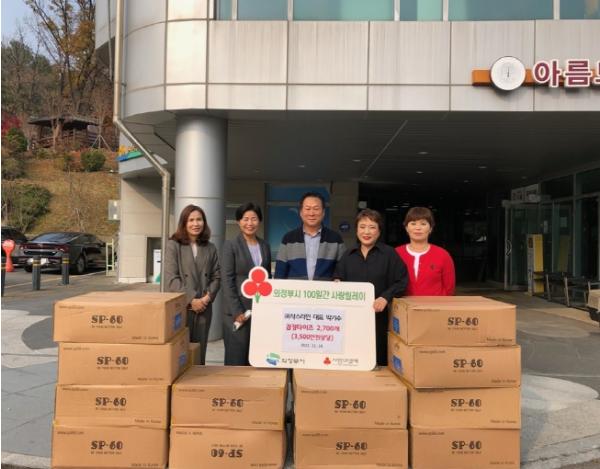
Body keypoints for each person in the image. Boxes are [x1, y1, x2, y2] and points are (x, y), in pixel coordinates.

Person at [334, 209, 408, 366]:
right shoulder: (348, 255)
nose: (366, 232)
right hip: (352, 321)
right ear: (356, 230)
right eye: (362, 227)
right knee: (353, 357)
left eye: (372, 227)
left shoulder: (389, 254)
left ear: (379, 231)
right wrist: (337, 283)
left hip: (380, 320)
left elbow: (401, 281)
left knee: (378, 359)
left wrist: (385, 297)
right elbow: (338, 277)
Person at [164, 204, 221, 365]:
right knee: (179, 355)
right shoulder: (173, 245)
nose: (196, 224)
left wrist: (206, 298)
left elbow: (217, 276)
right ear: (184, 223)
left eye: (199, 219)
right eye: (191, 220)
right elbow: (171, 279)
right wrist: (192, 300)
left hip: (204, 308)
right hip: (181, 307)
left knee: (199, 354)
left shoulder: (210, 247)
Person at [221, 202, 272, 366]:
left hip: (258, 311)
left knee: (256, 358)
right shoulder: (230, 245)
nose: (250, 223)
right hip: (237, 313)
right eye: (245, 219)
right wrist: (237, 311)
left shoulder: (265, 246)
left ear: (260, 221)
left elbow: (268, 279)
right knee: (236, 359)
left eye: (254, 219)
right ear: (238, 221)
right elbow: (227, 280)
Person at [275, 192, 345, 280]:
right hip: (295, 289)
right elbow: (280, 272)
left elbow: (342, 270)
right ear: (301, 212)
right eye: (307, 209)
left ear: (323, 212)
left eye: (316, 209)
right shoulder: (288, 239)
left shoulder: (335, 239)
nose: (311, 213)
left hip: (324, 289)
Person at [395, 206, 455, 296]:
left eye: (423, 224)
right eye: (413, 223)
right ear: (406, 228)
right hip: (404, 304)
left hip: (436, 304)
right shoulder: (396, 253)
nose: (418, 228)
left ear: (430, 228)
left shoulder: (443, 255)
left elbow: (449, 288)